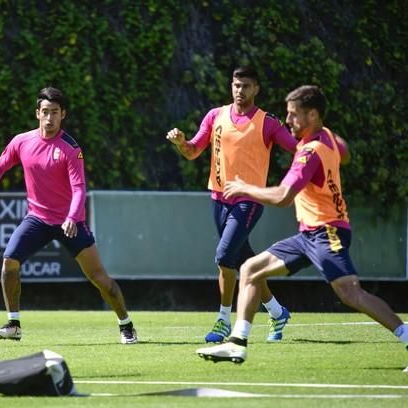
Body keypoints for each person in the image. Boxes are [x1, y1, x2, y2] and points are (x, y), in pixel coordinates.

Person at [196, 85, 408, 365]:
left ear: (312, 115)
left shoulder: (309, 152)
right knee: (250, 269)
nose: (289, 121)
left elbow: (284, 196)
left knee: (350, 293)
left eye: (294, 115)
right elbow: (344, 153)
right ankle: (237, 342)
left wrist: (246, 188)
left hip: (327, 232)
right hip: (308, 233)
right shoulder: (329, 138)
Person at [0, 87, 138, 344]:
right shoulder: (21, 141)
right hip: (37, 219)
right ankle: (13, 323)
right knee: (9, 264)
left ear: (63, 115)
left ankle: (126, 325)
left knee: (100, 279)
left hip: (70, 223)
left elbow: (79, 187)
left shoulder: (70, 148)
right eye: (45, 112)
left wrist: (71, 216)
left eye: (55, 113)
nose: (49, 118)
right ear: (37, 113)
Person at [166, 66, 302, 344]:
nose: (240, 91)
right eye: (236, 85)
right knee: (244, 262)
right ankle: (277, 312)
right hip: (218, 199)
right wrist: (181, 142)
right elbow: (193, 151)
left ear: (256, 89)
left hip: (249, 200)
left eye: (247, 86)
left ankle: (223, 320)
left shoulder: (268, 122)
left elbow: (299, 149)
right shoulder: (216, 116)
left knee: (224, 257)